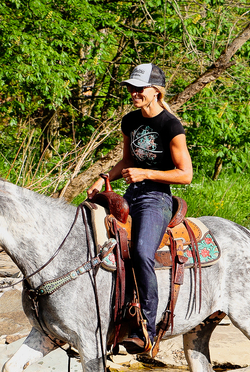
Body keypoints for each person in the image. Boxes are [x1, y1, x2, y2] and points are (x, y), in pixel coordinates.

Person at [90, 63, 193, 354]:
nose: (134, 93)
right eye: (131, 88)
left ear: (156, 91)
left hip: (156, 198)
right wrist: (103, 179)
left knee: (142, 253)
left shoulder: (171, 125)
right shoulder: (130, 121)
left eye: (139, 88)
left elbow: (185, 174)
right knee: (98, 245)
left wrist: (146, 173)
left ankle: (146, 326)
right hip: (131, 194)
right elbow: (126, 161)